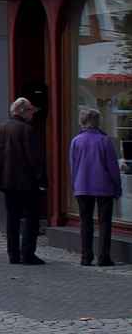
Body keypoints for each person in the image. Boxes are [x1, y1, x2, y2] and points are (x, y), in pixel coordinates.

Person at [0, 97, 48, 265]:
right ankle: (27, 252)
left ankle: (13, 253)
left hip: (7, 181)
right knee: (31, 216)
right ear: (23, 112)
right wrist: (42, 180)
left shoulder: (2, 128)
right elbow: (36, 158)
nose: (33, 113)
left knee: (12, 216)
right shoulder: (26, 130)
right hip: (26, 182)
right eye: (31, 110)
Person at [70, 105, 121, 266]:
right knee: (105, 222)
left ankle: (86, 256)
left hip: (82, 186)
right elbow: (113, 167)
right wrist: (117, 188)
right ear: (98, 122)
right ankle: (103, 257)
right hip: (104, 187)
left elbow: (73, 166)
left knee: (86, 222)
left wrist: (75, 185)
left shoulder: (76, 141)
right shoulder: (105, 141)